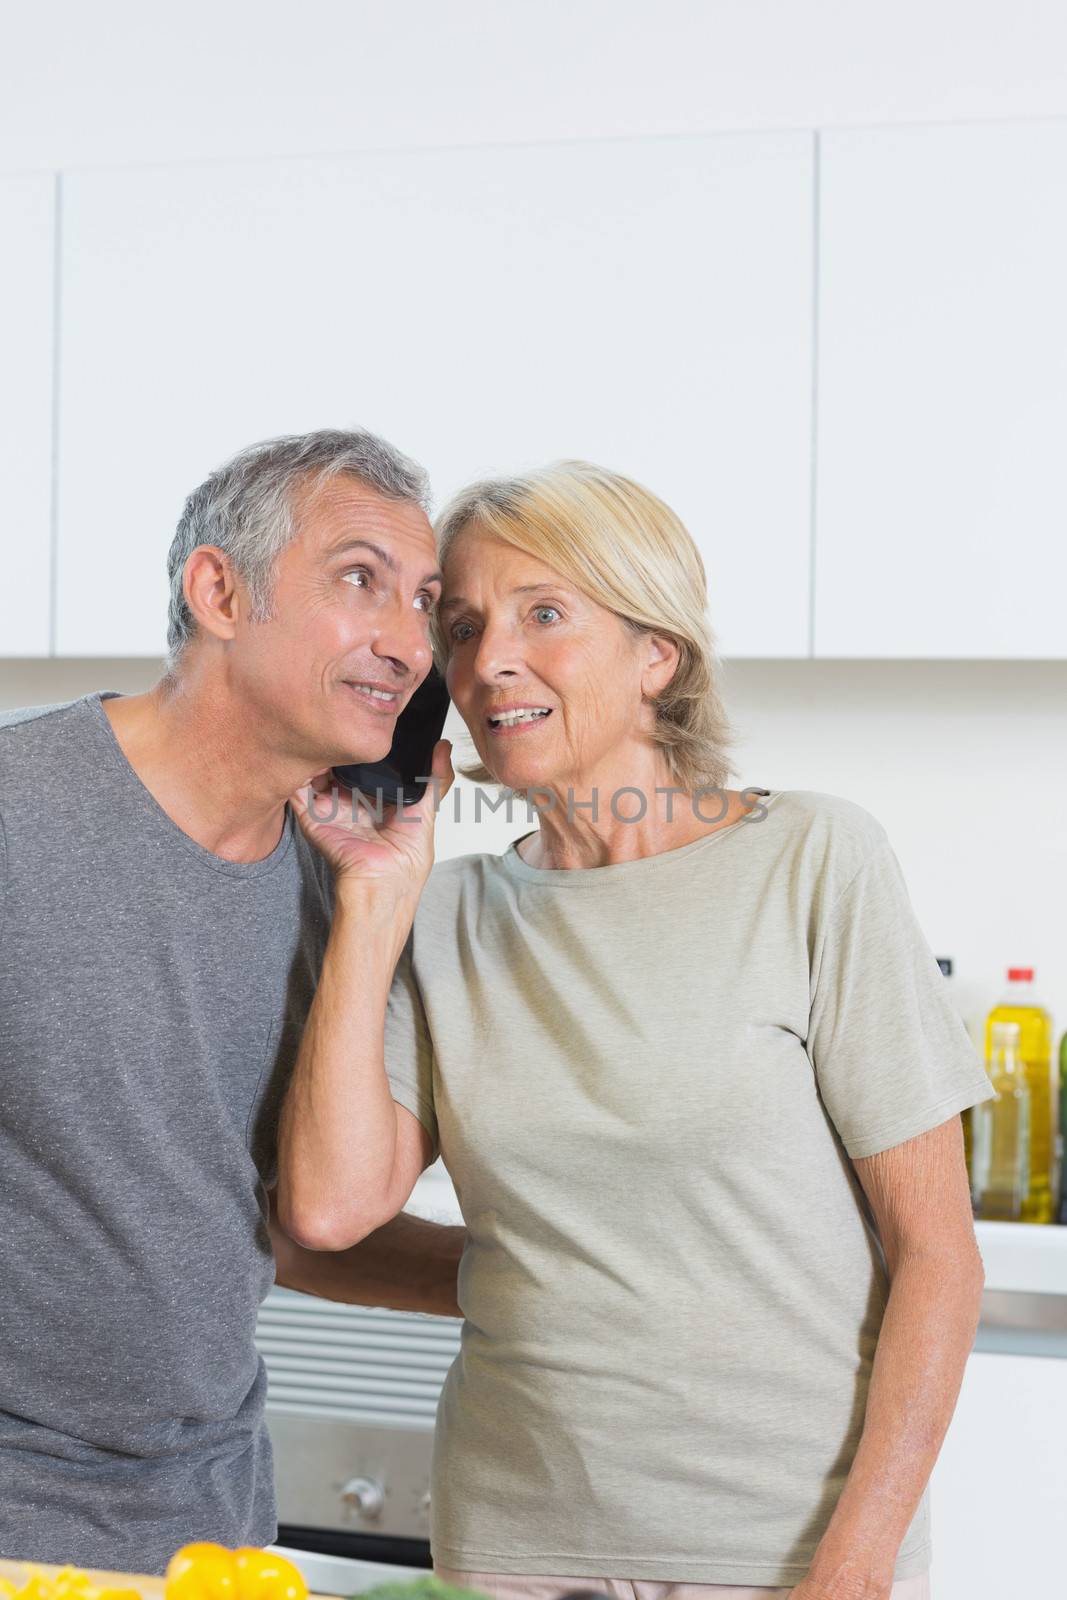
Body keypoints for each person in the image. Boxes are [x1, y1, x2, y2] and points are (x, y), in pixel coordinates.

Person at [278, 460, 997, 1600]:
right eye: (461, 628)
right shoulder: (448, 912)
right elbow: (320, 1214)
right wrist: (374, 895)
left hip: (780, 1556)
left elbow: (935, 1255)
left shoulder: (810, 861)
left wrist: (853, 1565)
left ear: (655, 653)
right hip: (511, 1546)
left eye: (542, 613)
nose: (487, 660)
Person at [0, 428, 463, 1571]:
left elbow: (292, 1227)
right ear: (218, 589)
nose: (407, 643)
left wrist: (565, 1284)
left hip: (209, 1527)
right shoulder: (19, 816)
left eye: (425, 603)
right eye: (361, 580)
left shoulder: (337, 880)